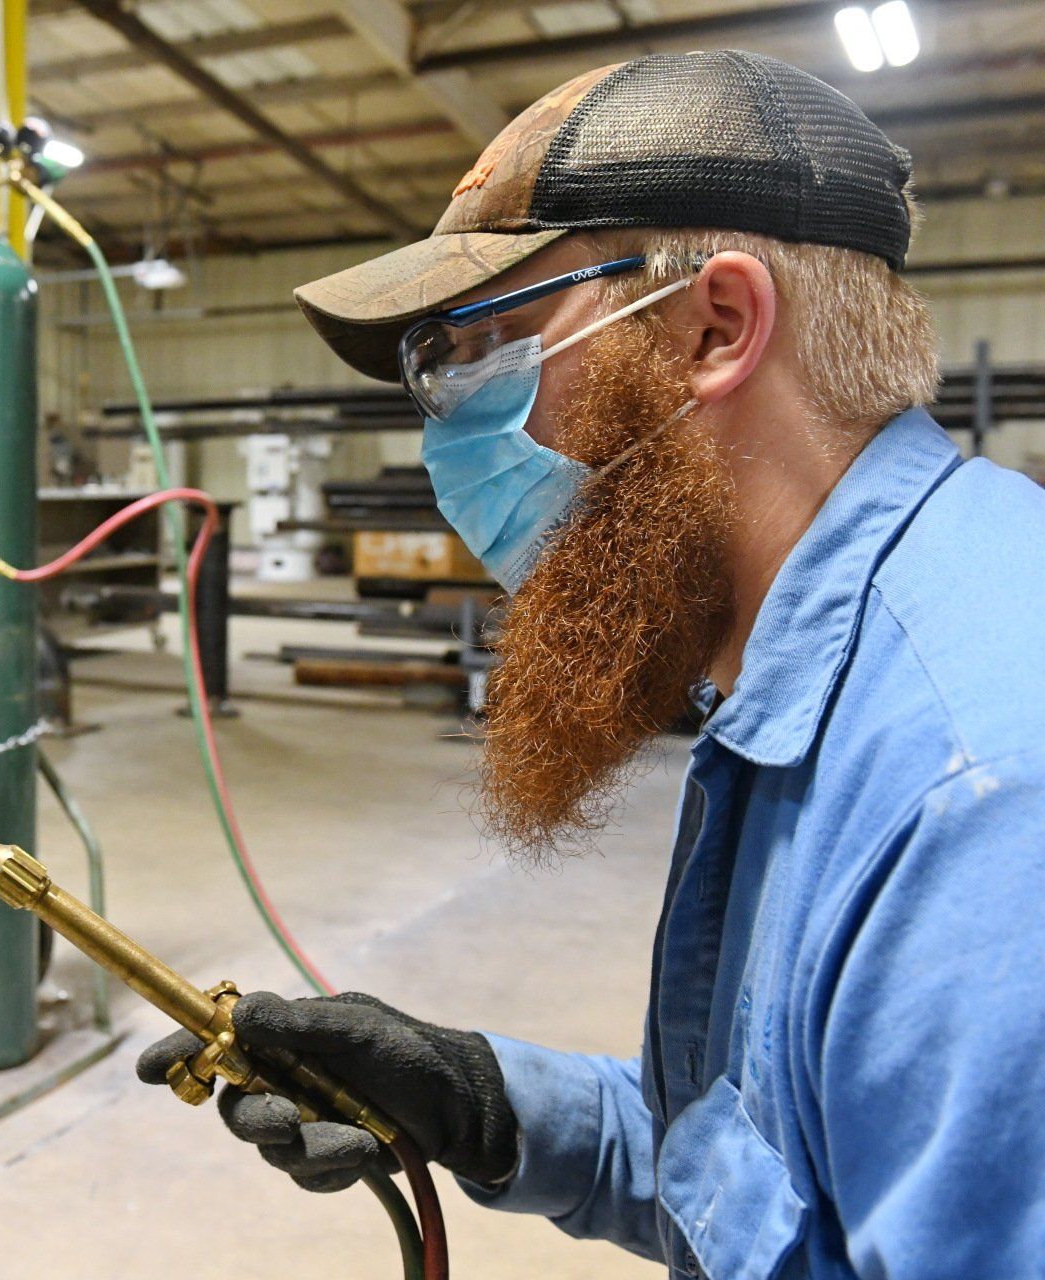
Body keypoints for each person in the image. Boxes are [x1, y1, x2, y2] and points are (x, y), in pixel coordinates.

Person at [138, 50, 1045, 1278]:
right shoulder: (813, 672)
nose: (449, 434)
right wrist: (481, 1102)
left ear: (715, 330)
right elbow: (779, 1173)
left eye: (487, 347)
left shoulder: (982, 806)